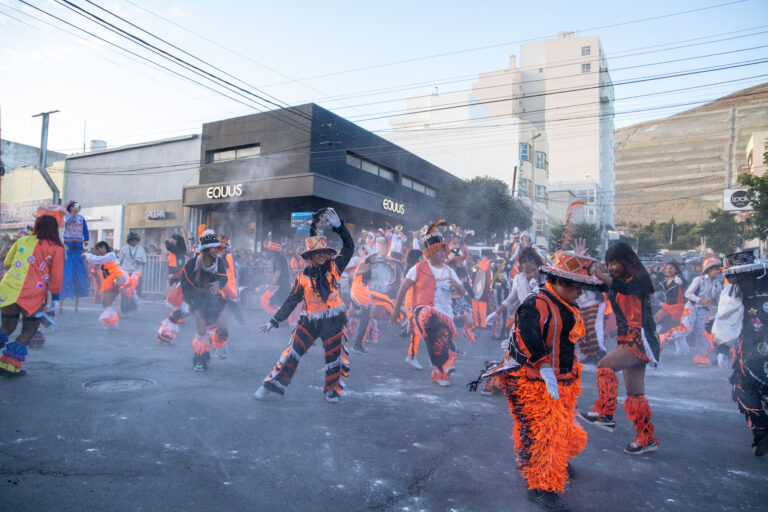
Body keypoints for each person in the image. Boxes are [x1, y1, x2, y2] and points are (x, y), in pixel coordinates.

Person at [500, 252, 597, 510]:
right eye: (573, 285)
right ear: (556, 281)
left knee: (564, 431)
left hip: (563, 380)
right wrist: (543, 365)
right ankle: (541, 487)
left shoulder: (567, 304)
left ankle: (552, 461)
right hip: (534, 381)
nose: (578, 291)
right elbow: (526, 332)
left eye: (580, 286)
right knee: (545, 435)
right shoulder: (537, 302)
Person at [255, 208, 354, 402]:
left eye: (324, 253)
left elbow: (349, 247)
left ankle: (331, 390)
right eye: (317, 253)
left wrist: (340, 227)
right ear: (309, 256)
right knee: (291, 352)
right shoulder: (302, 278)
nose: (321, 256)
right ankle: (269, 385)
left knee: (334, 357)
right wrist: (274, 321)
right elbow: (292, 300)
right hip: (309, 321)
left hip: (334, 320)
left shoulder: (335, 267)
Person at [578, 242, 661, 455]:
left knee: (605, 364)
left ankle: (605, 414)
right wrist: (582, 263)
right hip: (627, 339)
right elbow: (592, 284)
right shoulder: (618, 282)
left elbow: (622, 287)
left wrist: (604, 276)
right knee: (635, 393)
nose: (612, 267)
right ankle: (646, 439)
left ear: (626, 261)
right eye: (609, 264)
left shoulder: (638, 280)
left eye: (615, 262)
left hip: (640, 339)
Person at [391, 221, 467, 386]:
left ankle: (440, 373)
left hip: (445, 314)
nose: (443, 254)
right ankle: (444, 364)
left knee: (441, 344)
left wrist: (458, 286)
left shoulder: (449, 271)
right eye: (439, 250)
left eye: (443, 250)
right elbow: (403, 289)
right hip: (423, 310)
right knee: (432, 327)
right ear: (430, 252)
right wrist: (396, 309)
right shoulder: (417, 268)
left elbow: (462, 292)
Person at [711, 251, 768, 455]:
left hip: (753, 350)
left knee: (743, 386)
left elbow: (726, 323)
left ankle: (762, 430)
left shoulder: (735, 289)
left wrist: (723, 347)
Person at [0, 215, 64, 377]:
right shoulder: (56, 247)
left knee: (7, 327)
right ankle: (9, 366)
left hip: (9, 289)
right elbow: (56, 276)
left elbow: (7, 263)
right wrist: (55, 298)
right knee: (28, 330)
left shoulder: (22, 241)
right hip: (33, 294)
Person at [180, 230, 229, 371]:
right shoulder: (192, 264)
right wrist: (190, 300)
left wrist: (219, 283)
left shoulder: (218, 262)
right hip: (197, 299)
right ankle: (200, 359)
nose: (218, 250)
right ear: (207, 250)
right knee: (202, 331)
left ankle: (218, 345)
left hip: (213, 298)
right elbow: (185, 283)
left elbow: (224, 277)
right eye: (215, 248)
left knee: (222, 329)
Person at [659, 257, 722, 362]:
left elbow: (718, 300)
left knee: (701, 334)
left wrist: (714, 302)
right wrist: (701, 299)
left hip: (704, 311)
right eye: (716, 268)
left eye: (719, 269)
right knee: (686, 329)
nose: (718, 271)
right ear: (709, 269)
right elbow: (688, 294)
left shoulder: (718, 285)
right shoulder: (698, 280)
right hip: (691, 308)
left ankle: (701, 358)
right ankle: (664, 337)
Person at [83, 242, 138, 327]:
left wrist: (86, 255)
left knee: (121, 284)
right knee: (106, 304)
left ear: (103, 247)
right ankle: (112, 321)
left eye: (99, 250)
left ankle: (132, 298)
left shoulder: (111, 255)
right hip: (109, 282)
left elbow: (97, 259)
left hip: (118, 276)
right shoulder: (104, 258)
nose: (99, 252)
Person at [155, 234, 188, 345]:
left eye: (172, 238)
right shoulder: (175, 250)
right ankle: (170, 327)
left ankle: (168, 331)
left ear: (176, 240)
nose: (170, 240)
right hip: (174, 275)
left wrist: (174, 274)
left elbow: (168, 246)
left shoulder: (178, 249)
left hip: (179, 277)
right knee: (169, 299)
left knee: (172, 299)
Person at [61, 200, 90, 305]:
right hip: (68, 242)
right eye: (74, 206)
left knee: (79, 266)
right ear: (70, 208)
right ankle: (67, 291)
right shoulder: (66, 217)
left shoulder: (81, 218)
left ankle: (80, 290)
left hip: (78, 242)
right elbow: (65, 224)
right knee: (68, 266)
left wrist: (86, 238)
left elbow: (85, 229)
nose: (77, 208)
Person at [654, 261, 686, 335]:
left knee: (675, 327)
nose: (668, 270)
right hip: (667, 305)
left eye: (670, 268)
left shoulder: (678, 278)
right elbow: (656, 286)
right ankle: (655, 337)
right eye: (667, 268)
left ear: (676, 270)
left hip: (677, 307)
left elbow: (684, 282)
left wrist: (681, 281)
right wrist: (660, 273)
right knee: (656, 318)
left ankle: (669, 340)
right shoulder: (665, 281)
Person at [260, 240, 291, 314]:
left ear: (272, 251)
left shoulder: (276, 257)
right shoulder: (281, 256)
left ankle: (282, 320)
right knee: (281, 302)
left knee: (274, 301)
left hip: (281, 284)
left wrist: (273, 284)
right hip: (285, 283)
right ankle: (283, 322)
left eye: (268, 250)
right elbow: (287, 270)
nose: (267, 252)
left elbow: (278, 271)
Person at [118, 232, 147, 298]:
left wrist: (139, 261)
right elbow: (119, 261)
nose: (134, 242)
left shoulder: (141, 249)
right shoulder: (124, 249)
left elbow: (144, 262)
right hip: (126, 272)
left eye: (136, 240)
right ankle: (124, 303)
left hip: (136, 272)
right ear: (129, 241)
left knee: (137, 290)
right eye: (132, 240)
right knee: (125, 289)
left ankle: (135, 305)